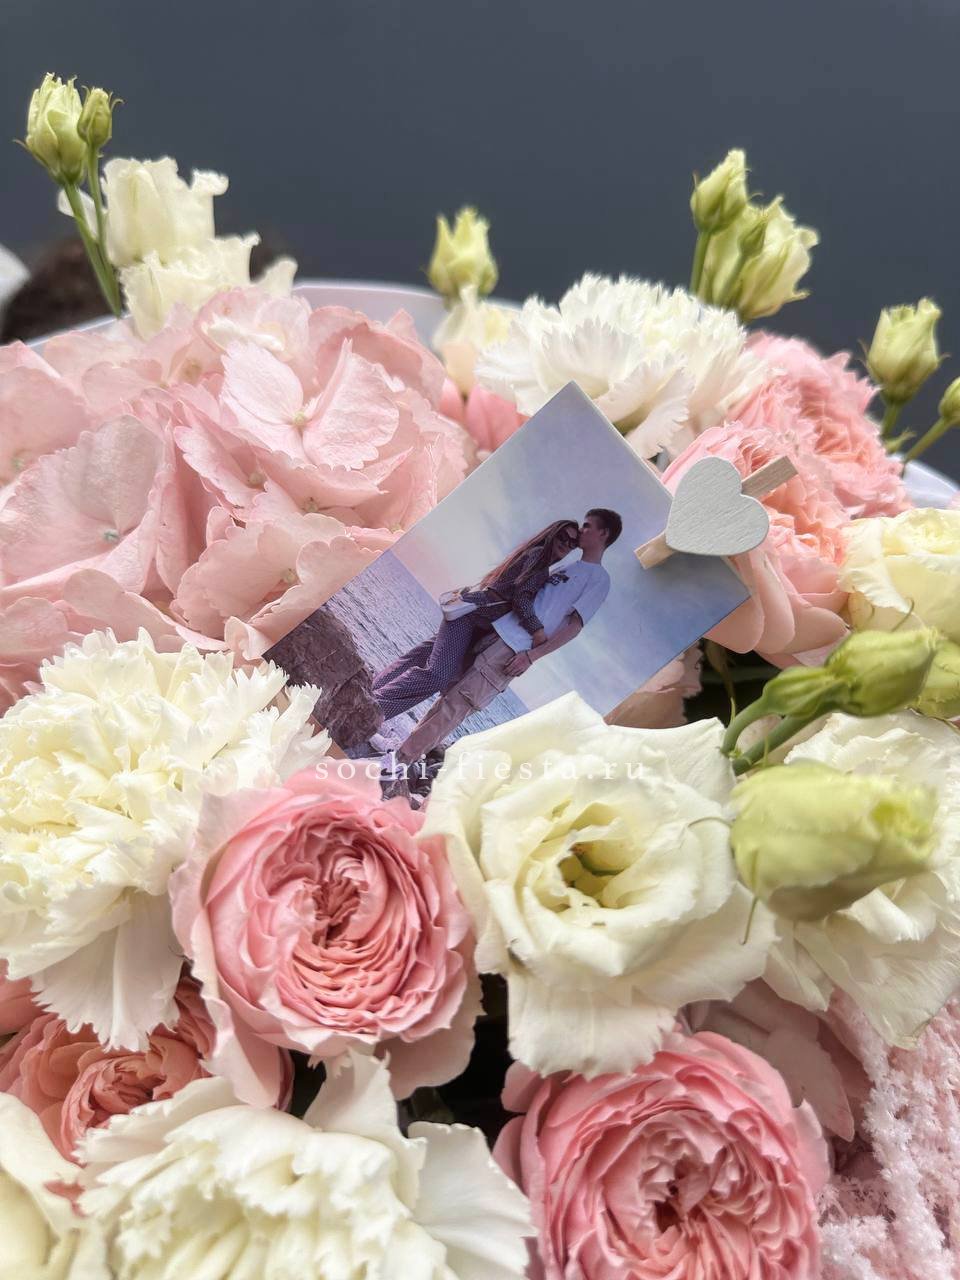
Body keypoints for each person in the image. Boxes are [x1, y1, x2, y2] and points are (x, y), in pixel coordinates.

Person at [396, 507, 623, 762]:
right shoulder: (569, 566)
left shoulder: (599, 579)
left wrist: (531, 656)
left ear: (603, 534)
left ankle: (400, 761)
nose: (581, 531)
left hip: (514, 649)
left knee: (458, 705)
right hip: (496, 634)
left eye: (588, 526)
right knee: (449, 697)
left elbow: (574, 628)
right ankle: (402, 752)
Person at [372, 520, 580, 722]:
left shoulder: (539, 560)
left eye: (572, 543)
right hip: (472, 617)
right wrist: (537, 631)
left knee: (419, 657)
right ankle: (375, 709)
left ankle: (372, 692)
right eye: (562, 536)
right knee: (437, 676)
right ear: (552, 535)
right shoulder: (539, 558)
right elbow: (521, 598)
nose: (566, 543)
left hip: (476, 619)